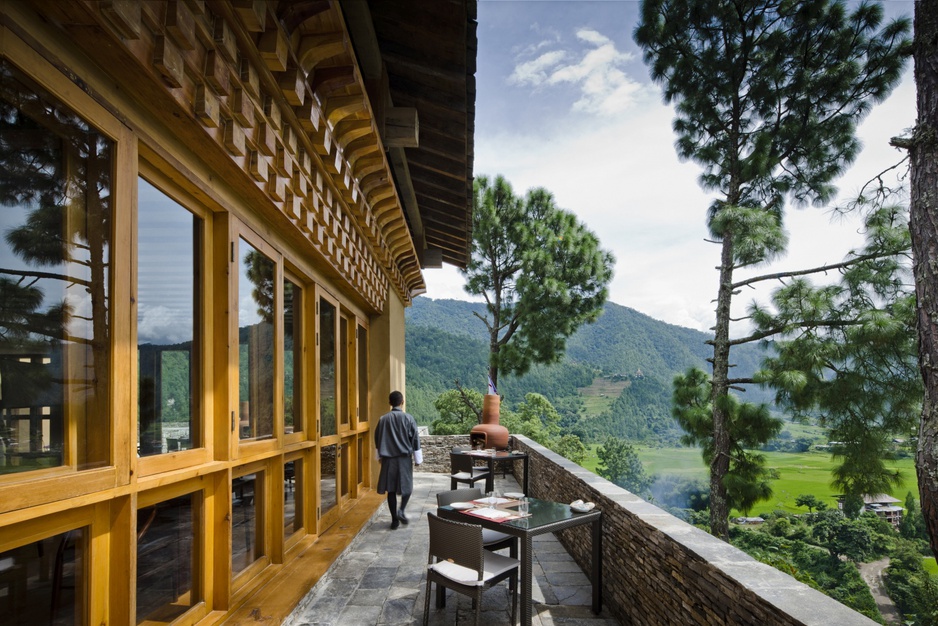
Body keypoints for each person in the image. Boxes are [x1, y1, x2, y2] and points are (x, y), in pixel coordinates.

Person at [374, 390, 422, 529]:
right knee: (407, 488)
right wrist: (418, 459)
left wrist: (379, 456)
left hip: (388, 460)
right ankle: (401, 510)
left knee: (391, 490)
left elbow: (377, 439)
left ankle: (394, 520)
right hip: (404, 459)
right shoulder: (409, 419)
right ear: (402, 402)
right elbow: (415, 440)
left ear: (389, 403)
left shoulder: (383, 419)